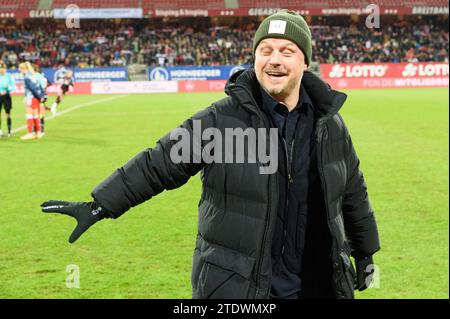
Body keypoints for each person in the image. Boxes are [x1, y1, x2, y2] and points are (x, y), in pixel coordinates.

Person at [41, 10, 380, 299]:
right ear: (255, 58)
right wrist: (100, 204)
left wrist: (365, 252)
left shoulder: (329, 124)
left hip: (317, 286)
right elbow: (160, 162)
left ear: (305, 61)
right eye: (266, 49)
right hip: (238, 289)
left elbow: (353, 191)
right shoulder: (222, 121)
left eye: (287, 50)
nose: (274, 59)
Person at [19, 62, 45, 140]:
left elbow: (32, 88)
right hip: (36, 97)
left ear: (24, 69)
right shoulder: (33, 75)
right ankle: (39, 132)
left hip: (31, 97)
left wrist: (40, 97)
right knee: (35, 115)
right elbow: (40, 86)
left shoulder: (27, 77)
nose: (19, 70)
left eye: (20, 68)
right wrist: (41, 96)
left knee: (29, 115)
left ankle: (30, 133)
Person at [0, 61, 16, 138]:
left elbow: (13, 86)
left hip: (6, 96)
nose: (2, 70)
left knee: (8, 114)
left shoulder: (9, 76)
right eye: (1, 68)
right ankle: (0, 131)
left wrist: (7, 90)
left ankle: (9, 131)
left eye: (3, 68)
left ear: (6, 69)